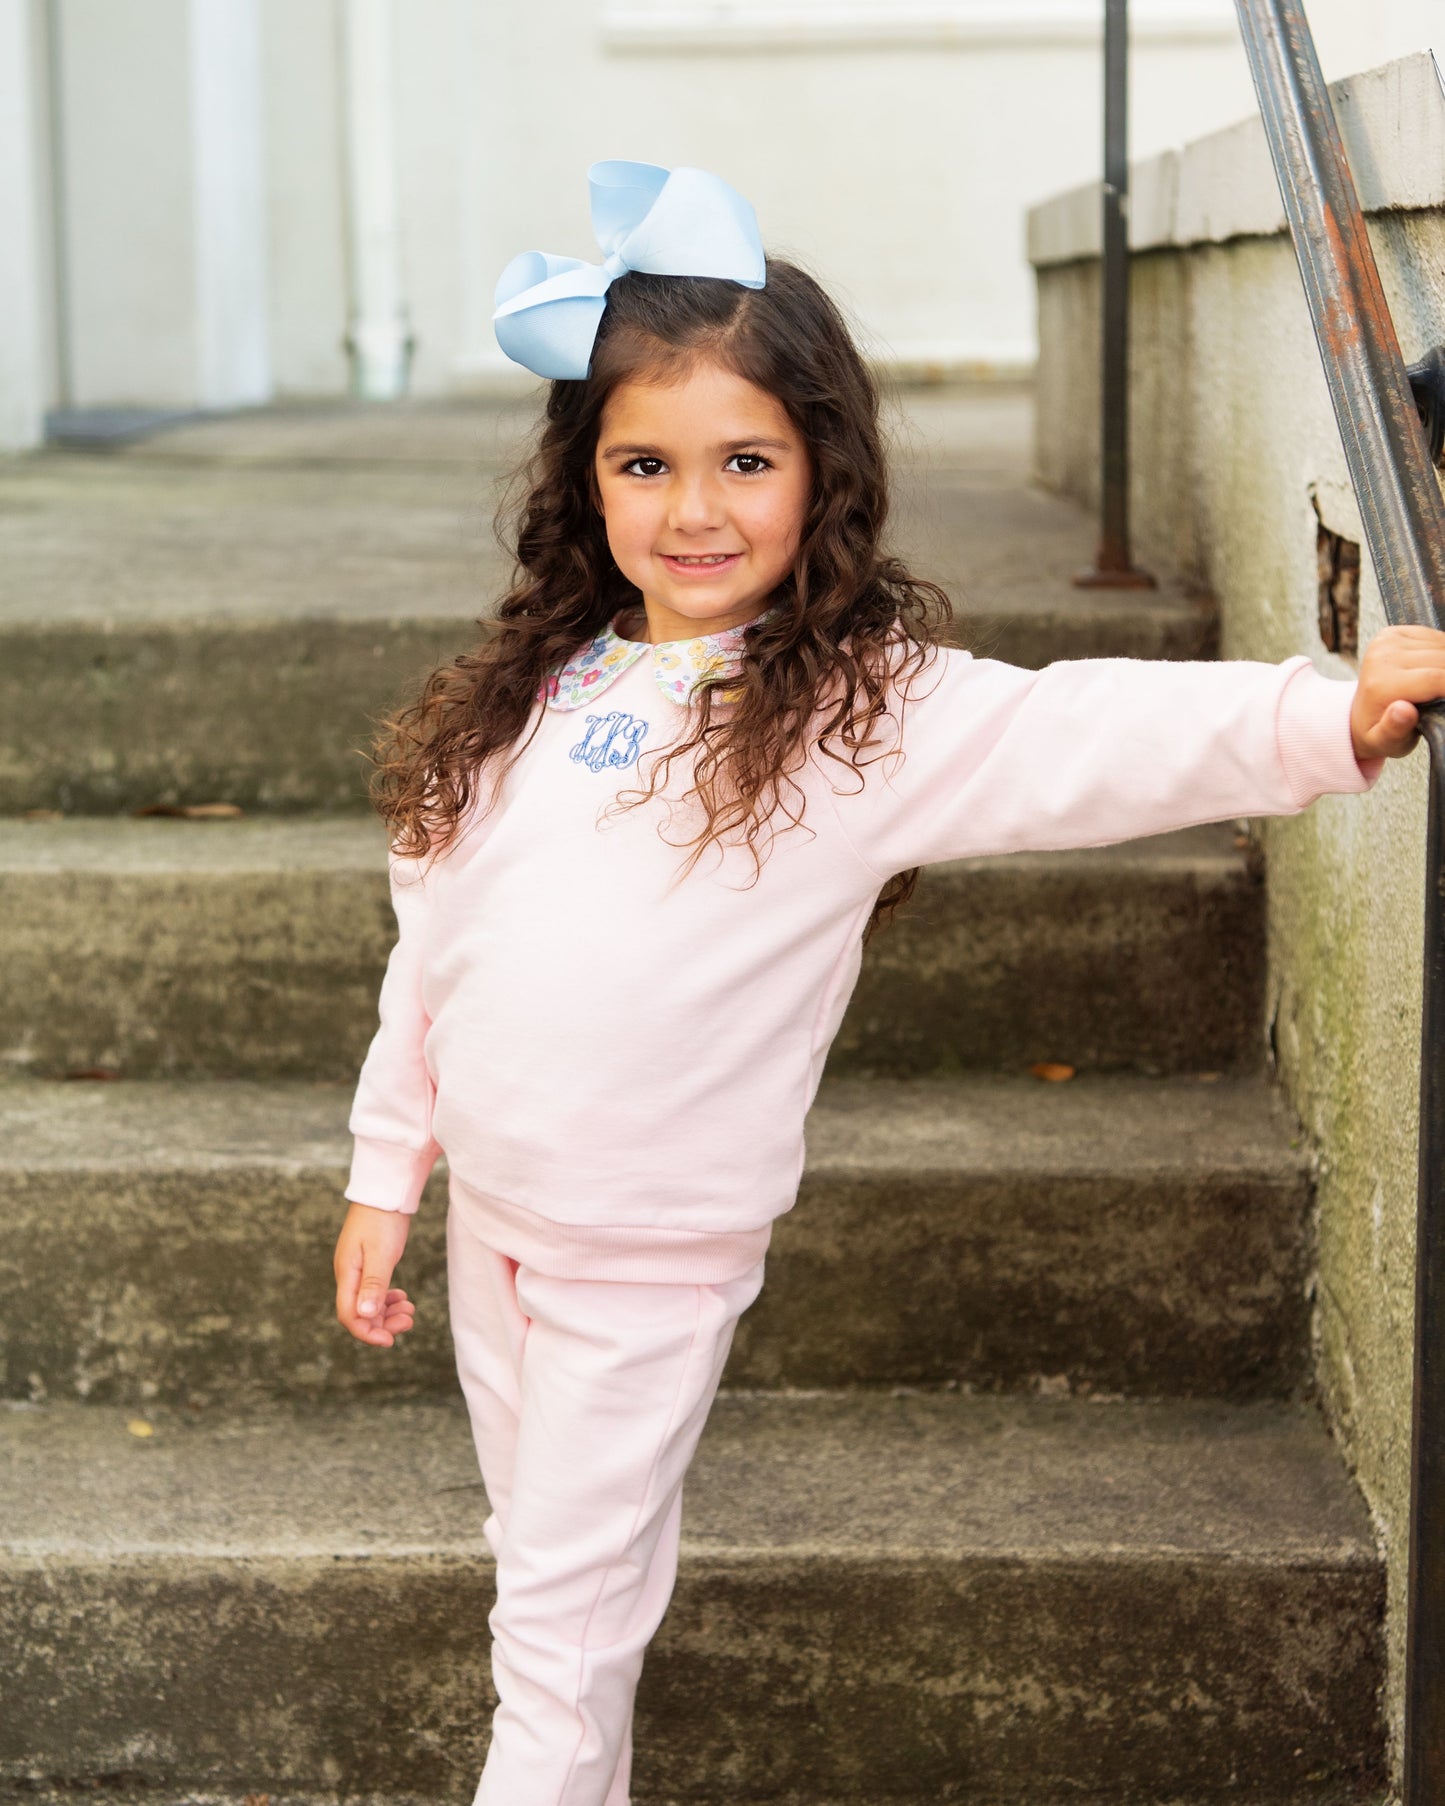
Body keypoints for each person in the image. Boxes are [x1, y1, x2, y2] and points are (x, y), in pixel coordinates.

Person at [331, 161, 1444, 1806]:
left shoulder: (854, 714)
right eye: (644, 463)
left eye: (744, 462)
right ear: (584, 479)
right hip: (492, 1220)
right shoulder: (535, 694)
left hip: (649, 1248)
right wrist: (386, 1170)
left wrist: (1320, 711)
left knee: (553, 1627)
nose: (693, 510)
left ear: (820, 472)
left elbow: (1075, 733)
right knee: (556, 1570)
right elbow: (434, 944)